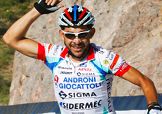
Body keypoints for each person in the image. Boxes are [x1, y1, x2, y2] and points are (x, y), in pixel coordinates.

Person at [2, 0, 162, 114]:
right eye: (70, 35)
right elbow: (10, 39)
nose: (77, 41)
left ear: (91, 33)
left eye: (83, 35)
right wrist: (38, 9)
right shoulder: (53, 55)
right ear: (61, 35)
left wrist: (153, 106)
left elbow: (144, 81)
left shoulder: (104, 59)